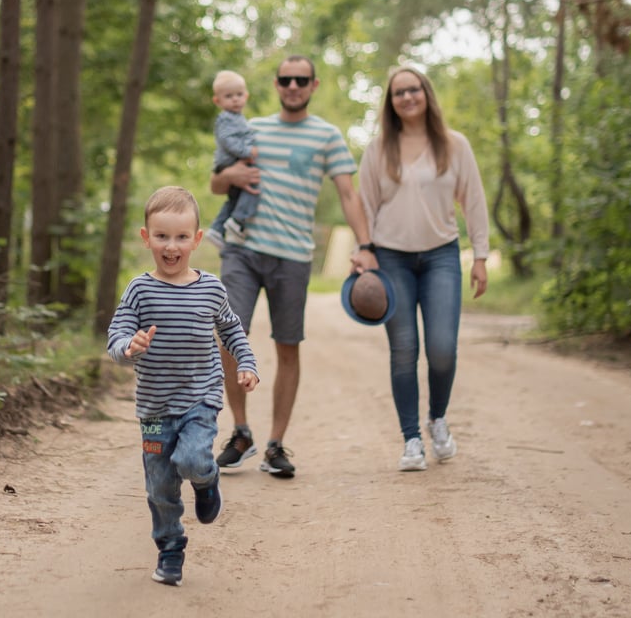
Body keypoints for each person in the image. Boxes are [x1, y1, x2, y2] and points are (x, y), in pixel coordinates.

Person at [210, 55, 376, 479]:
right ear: (276, 83)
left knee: (288, 345)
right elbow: (215, 181)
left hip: (293, 255)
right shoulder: (251, 128)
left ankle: (275, 445)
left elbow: (349, 195)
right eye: (286, 79)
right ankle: (241, 432)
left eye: (301, 79)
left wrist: (365, 245)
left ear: (313, 84)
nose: (293, 85)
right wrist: (232, 176)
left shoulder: (328, 136)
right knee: (229, 336)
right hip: (242, 251)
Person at [106, 186, 260, 586]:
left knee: (191, 460)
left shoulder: (210, 288)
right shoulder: (139, 290)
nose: (170, 246)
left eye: (179, 237)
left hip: (199, 400)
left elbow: (231, 328)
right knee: (160, 486)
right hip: (155, 409)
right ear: (146, 238)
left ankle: (207, 480)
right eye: (161, 236)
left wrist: (246, 362)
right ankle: (171, 549)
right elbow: (117, 336)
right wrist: (129, 345)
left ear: (196, 239)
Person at [356, 65, 490, 472]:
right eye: (399, 92)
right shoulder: (379, 148)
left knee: (442, 350)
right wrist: (365, 250)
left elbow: (474, 201)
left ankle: (438, 420)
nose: (408, 97)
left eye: (414, 89)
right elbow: (364, 204)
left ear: (426, 94)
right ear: (391, 102)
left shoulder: (454, 145)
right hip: (392, 257)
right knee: (404, 351)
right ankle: (411, 439)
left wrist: (480, 256)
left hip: (441, 257)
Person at [207, 70, 258, 248]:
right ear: (217, 101)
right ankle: (238, 221)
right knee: (254, 185)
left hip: (233, 160)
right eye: (229, 96)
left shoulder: (239, 118)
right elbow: (227, 140)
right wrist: (247, 151)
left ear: (246, 95)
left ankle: (217, 228)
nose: (235, 99)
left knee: (235, 198)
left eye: (239, 94)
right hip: (228, 161)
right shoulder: (225, 118)